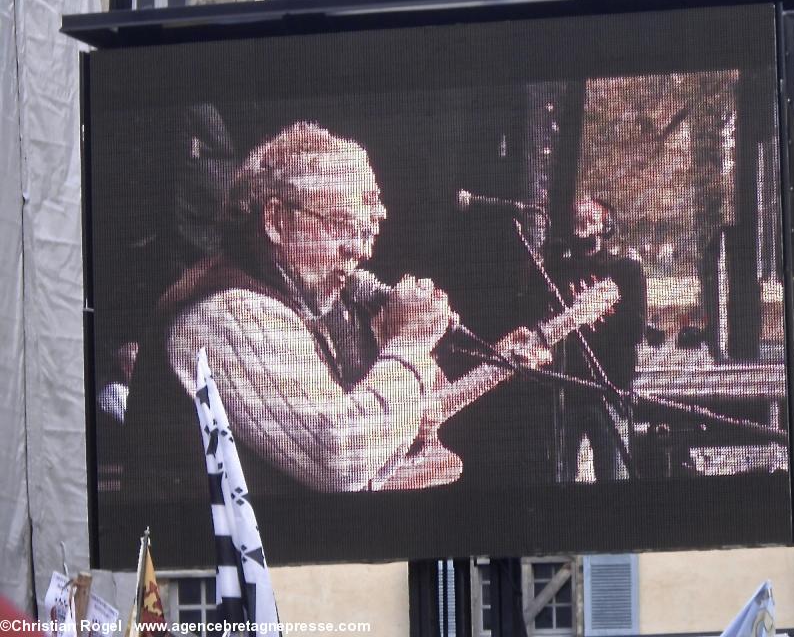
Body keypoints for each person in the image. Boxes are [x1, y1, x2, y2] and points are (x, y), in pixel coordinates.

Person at [122, 121, 540, 501]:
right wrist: (408, 343)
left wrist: (486, 362)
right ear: (276, 221)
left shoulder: (312, 301)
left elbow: (405, 418)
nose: (359, 250)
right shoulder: (228, 313)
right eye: (340, 225)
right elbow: (340, 456)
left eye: (364, 232)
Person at [552, 196, 647, 482]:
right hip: (567, 392)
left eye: (592, 214)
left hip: (612, 389)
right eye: (578, 212)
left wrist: (592, 311)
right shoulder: (555, 272)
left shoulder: (626, 271)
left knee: (615, 476)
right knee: (560, 477)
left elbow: (635, 330)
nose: (583, 211)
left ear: (606, 225)